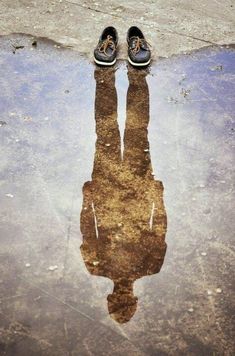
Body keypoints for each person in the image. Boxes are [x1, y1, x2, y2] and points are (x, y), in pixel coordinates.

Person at [80, 66, 167, 323]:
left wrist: (86, 201)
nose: (121, 296)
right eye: (125, 301)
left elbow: (87, 230)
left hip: (105, 193)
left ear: (110, 298)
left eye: (117, 301)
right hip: (138, 190)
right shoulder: (151, 266)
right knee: (138, 132)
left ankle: (104, 77)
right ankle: (137, 77)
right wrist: (159, 198)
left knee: (105, 132)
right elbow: (159, 228)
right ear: (133, 298)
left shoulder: (97, 267)